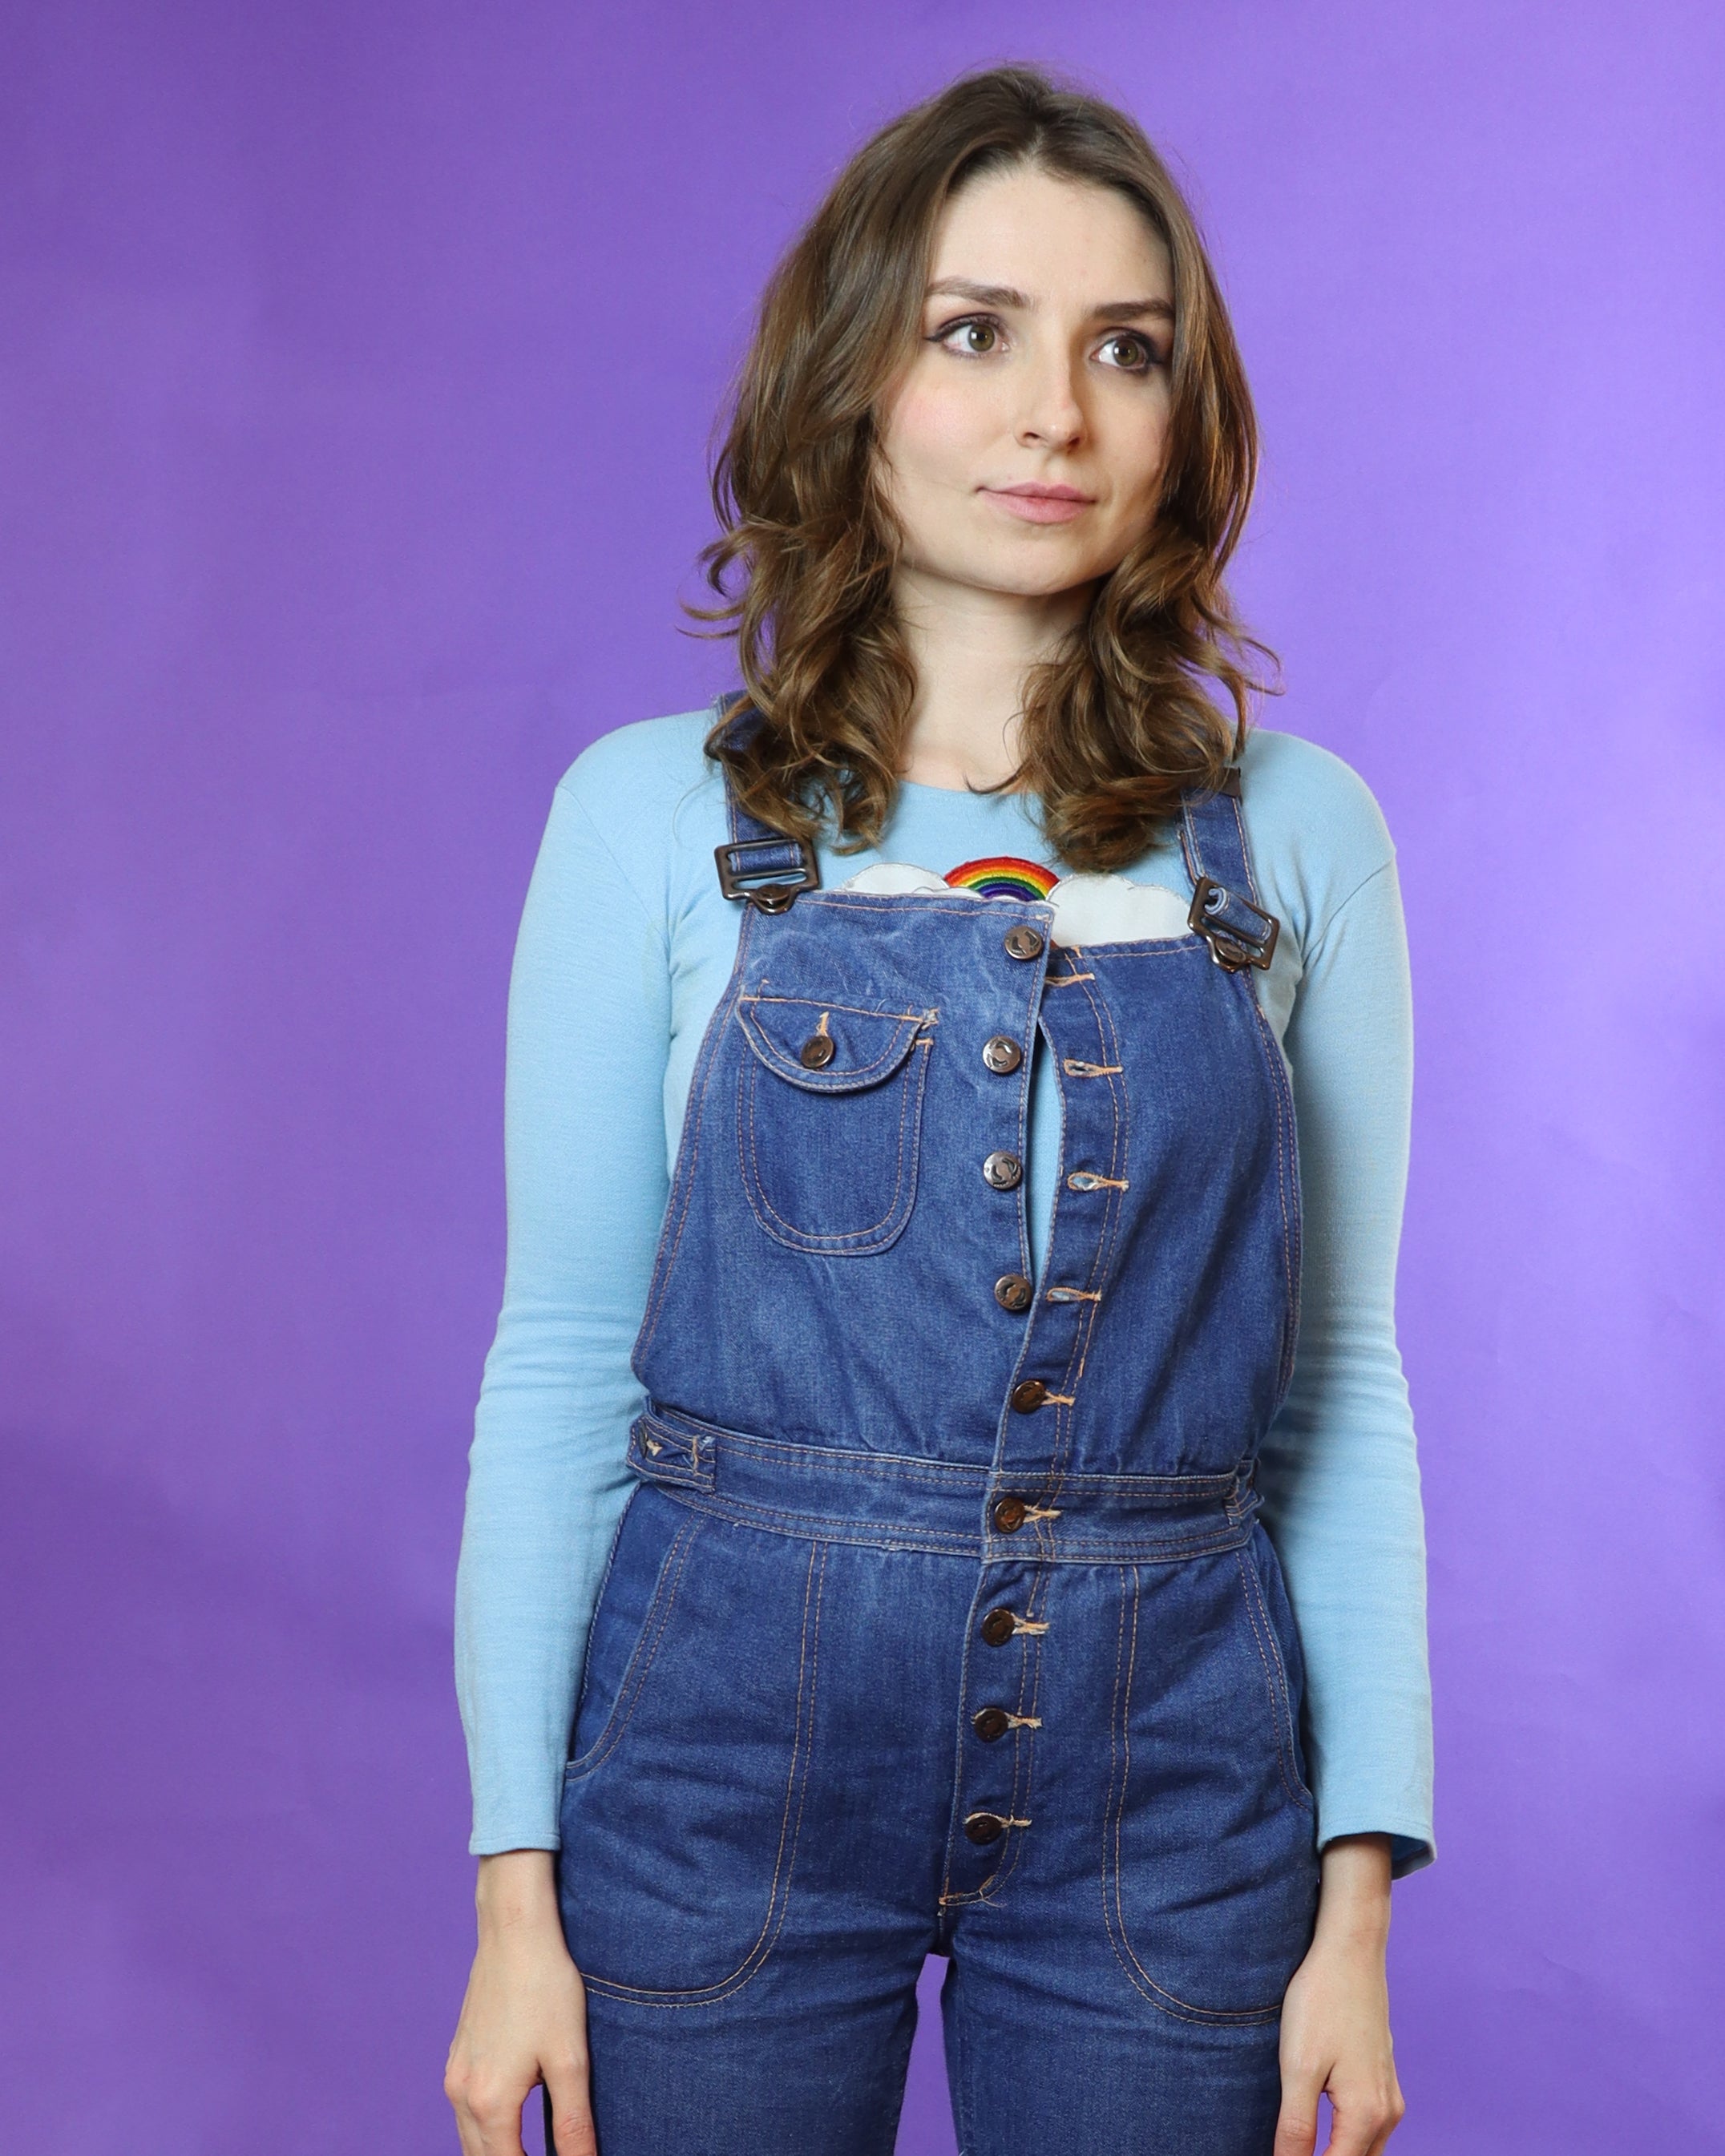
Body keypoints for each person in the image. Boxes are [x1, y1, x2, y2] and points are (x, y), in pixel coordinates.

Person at [444, 63, 1432, 2156]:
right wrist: (515, 1898)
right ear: (853, 379)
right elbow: (560, 1364)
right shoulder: (649, 820)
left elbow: (1336, 1389)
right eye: (975, 331)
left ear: (1185, 418)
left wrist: (1355, 1910)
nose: (1054, 413)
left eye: (1125, 350)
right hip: (715, 1783)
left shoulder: (1301, 836)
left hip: (1173, 1801)